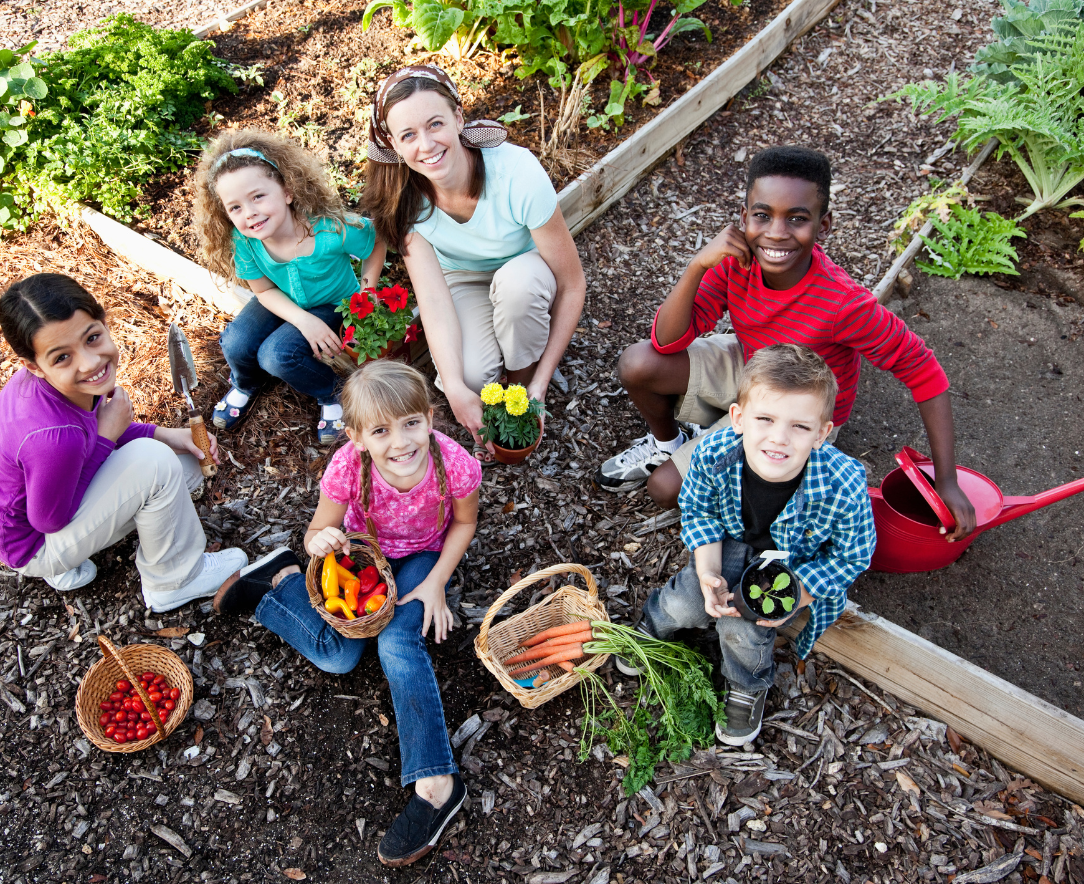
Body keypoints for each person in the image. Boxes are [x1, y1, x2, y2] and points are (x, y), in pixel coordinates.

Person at [596, 145, 976, 540]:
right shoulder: (734, 263)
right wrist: (697, 266)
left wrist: (946, 480)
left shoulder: (842, 304)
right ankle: (668, 443)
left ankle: (750, 487)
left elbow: (923, 370)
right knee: (638, 363)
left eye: (796, 219)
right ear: (743, 219)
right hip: (752, 365)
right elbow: (666, 341)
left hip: (797, 402)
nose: (776, 232)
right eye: (762, 216)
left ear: (823, 226)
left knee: (666, 489)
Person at [212, 360, 481, 867]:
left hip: (423, 555)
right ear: (357, 437)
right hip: (360, 555)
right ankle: (278, 587)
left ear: (430, 417)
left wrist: (435, 583)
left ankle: (437, 785)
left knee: (398, 641)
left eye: (410, 423)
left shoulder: (455, 463)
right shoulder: (347, 468)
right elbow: (317, 534)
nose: (400, 442)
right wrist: (320, 542)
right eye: (381, 430)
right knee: (338, 658)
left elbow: (464, 524)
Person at [622, 345, 876, 745]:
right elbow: (700, 513)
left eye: (800, 426)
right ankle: (655, 623)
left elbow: (853, 554)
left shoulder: (844, 483)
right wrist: (707, 571)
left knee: (745, 628)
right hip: (729, 543)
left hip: (792, 564)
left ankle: (746, 683)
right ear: (738, 419)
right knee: (686, 600)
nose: (779, 438)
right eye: (765, 419)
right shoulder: (712, 454)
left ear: (823, 433)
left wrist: (795, 595)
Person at [0, 274, 247, 611]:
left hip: (29, 512)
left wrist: (168, 435)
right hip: (35, 544)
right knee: (157, 464)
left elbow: (95, 433)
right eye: (62, 357)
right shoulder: (53, 438)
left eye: (92, 338)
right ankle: (175, 580)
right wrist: (108, 437)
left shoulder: (58, 387)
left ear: (103, 322)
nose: (89, 363)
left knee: (185, 464)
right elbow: (50, 520)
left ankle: (76, 560)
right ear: (34, 366)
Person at [361, 64, 585, 458]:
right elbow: (432, 300)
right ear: (394, 145)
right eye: (408, 135)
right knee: (468, 378)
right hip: (464, 279)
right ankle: (500, 370)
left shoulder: (516, 173)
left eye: (435, 124)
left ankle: (520, 379)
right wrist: (456, 387)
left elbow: (571, 284)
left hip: (527, 269)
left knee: (518, 291)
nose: (426, 145)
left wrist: (540, 383)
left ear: (458, 118)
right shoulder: (404, 200)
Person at [193, 129, 387, 444]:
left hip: (332, 303)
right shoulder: (244, 241)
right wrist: (301, 319)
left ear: (287, 191)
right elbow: (264, 291)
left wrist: (367, 291)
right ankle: (246, 383)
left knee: (278, 355)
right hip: (281, 299)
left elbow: (376, 241)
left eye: (258, 196)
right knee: (235, 342)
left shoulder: (328, 230)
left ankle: (332, 394)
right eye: (235, 207)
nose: (250, 213)